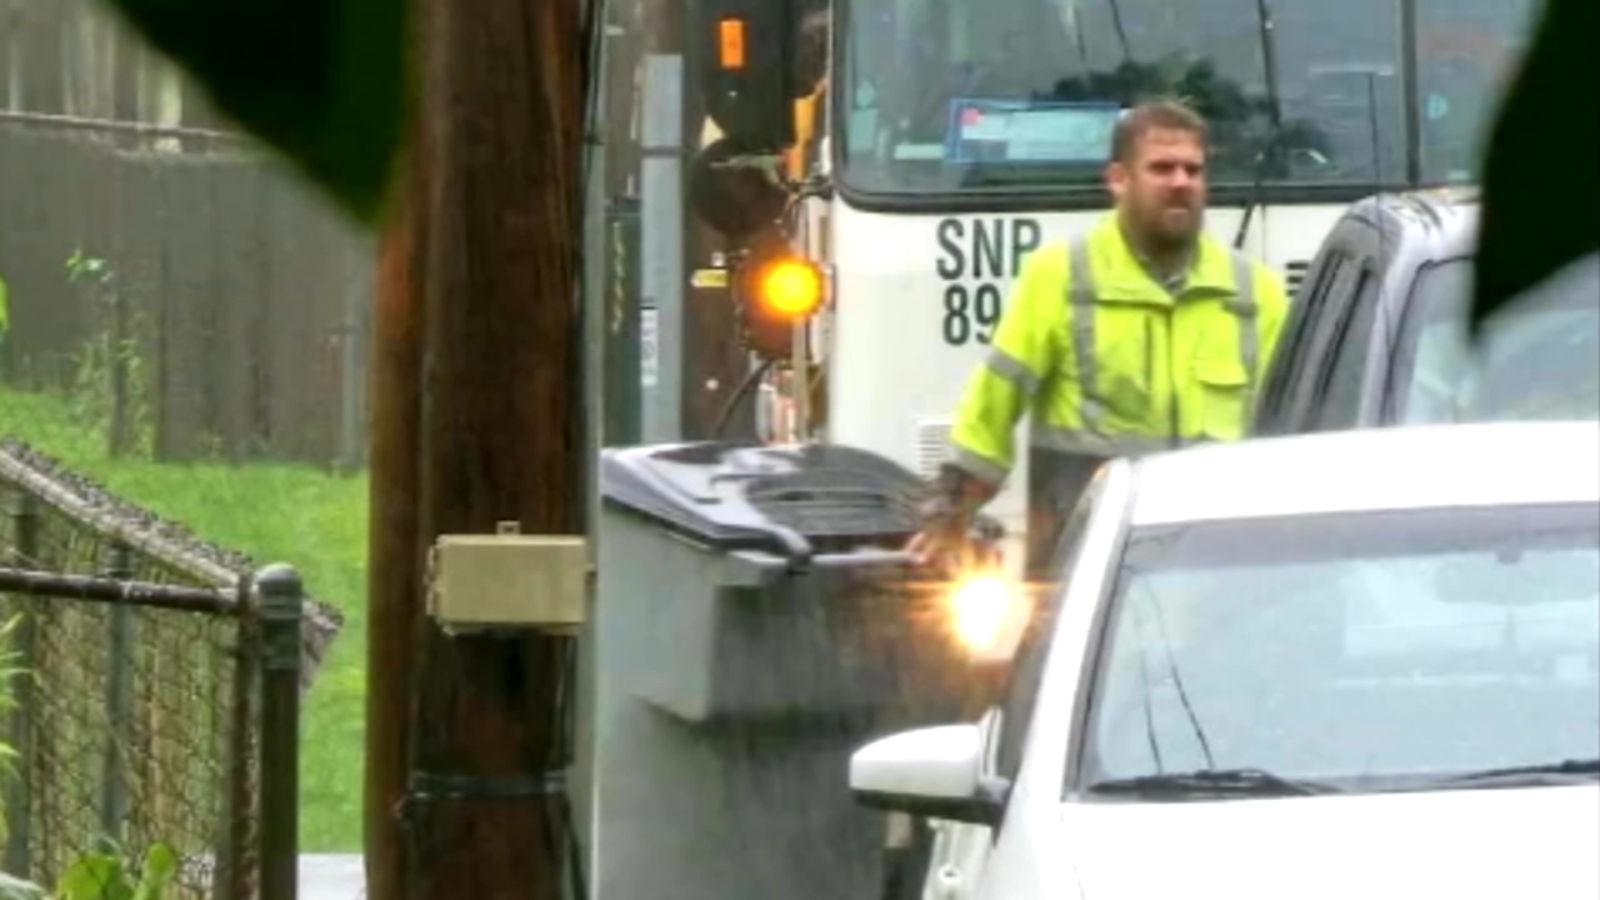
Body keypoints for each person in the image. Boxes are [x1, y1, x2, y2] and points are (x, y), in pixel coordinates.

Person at [909, 99, 1291, 582]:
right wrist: (951, 515)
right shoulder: (1059, 277)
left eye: (1193, 170)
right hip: (1086, 576)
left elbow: (1292, 435)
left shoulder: (1257, 293)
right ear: (1118, 180)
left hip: (1214, 576)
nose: (1180, 182)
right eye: (1161, 168)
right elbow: (993, 412)